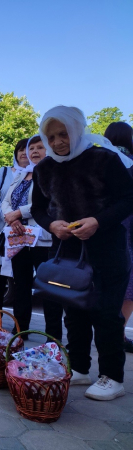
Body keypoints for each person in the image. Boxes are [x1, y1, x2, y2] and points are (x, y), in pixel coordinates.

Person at [32, 106, 133, 401]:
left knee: (105, 314)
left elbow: (129, 198)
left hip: (107, 249)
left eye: (63, 134)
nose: (58, 142)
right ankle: (78, 368)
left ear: (76, 130)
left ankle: (112, 377)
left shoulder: (104, 159)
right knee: (73, 310)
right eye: (51, 137)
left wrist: (99, 222)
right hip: (68, 251)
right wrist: (52, 224)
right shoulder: (44, 168)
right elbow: (38, 208)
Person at [2, 136, 63, 340]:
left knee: (47, 287)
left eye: (40, 147)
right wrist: (12, 220)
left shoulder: (52, 172)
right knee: (21, 284)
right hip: (19, 237)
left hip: (43, 238)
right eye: (32, 148)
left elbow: (47, 202)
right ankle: (20, 329)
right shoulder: (22, 174)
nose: (35, 151)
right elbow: (6, 201)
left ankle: (52, 335)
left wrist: (19, 213)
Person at [0, 138, 29, 326]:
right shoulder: (4, 172)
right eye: (20, 150)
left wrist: (19, 218)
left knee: (22, 281)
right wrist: (8, 216)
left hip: (27, 233)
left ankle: (21, 325)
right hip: (3, 233)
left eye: (27, 150)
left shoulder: (41, 174)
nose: (24, 153)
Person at [103, 121, 133, 352]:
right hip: (128, 227)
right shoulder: (131, 161)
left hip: (104, 226)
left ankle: (107, 330)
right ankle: (119, 334)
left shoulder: (100, 157)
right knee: (128, 285)